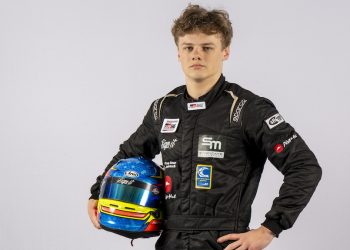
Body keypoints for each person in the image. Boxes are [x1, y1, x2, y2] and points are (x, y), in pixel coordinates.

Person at [88, 4, 322, 250]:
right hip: (170, 240)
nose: (196, 54)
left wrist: (270, 228)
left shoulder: (246, 108)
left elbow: (304, 166)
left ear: (225, 52)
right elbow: (128, 155)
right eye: (188, 47)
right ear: (178, 53)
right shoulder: (163, 109)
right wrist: (96, 193)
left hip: (224, 242)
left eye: (207, 47)